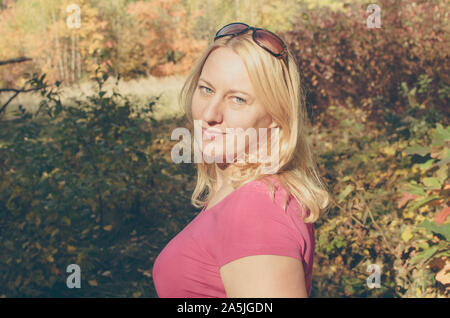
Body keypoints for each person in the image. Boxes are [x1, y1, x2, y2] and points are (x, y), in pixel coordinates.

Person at [152, 22, 331, 298]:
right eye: (207, 89)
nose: (210, 113)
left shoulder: (255, 208)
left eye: (237, 99)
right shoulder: (237, 194)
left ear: (275, 118)